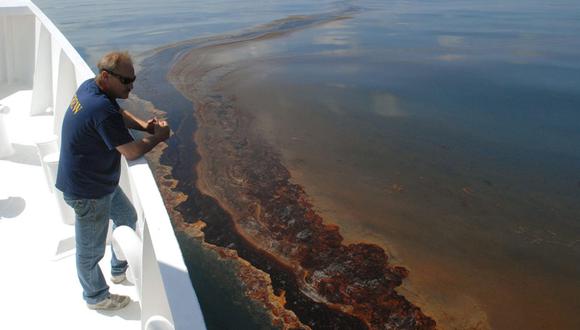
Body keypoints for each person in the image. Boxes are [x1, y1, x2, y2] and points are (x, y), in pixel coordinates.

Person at [55, 51, 170, 310]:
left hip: (98, 182)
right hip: (88, 191)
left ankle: (118, 270)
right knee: (90, 251)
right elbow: (130, 151)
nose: (131, 86)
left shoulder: (91, 89)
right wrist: (159, 137)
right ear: (106, 77)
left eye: (133, 80)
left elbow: (116, 114)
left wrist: (145, 126)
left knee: (127, 217)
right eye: (126, 81)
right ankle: (96, 297)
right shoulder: (99, 108)